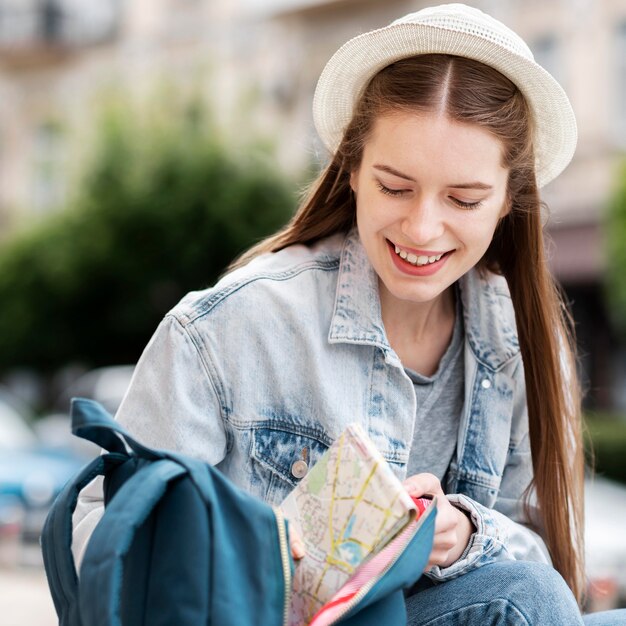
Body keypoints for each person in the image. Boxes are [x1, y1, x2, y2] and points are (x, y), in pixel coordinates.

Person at [72, 4, 626, 624]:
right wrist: (243, 548)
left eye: (464, 199)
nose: (422, 228)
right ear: (353, 169)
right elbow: (104, 537)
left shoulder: (522, 343)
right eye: (395, 187)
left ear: (506, 201)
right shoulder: (229, 327)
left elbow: (543, 560)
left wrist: (465, 535)